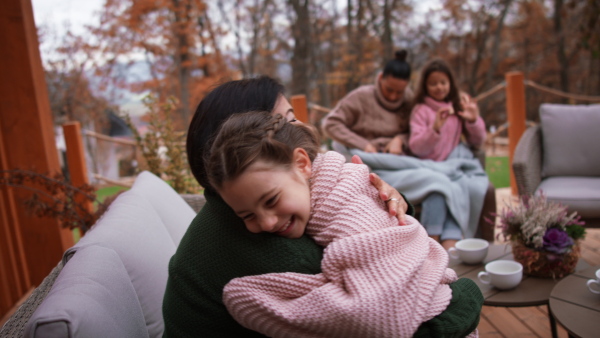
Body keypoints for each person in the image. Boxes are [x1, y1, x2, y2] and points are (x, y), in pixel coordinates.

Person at [162, 76, 413, 337]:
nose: (301, 126)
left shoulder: (244, 201)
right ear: (243, 141)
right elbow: (381, 311)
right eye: (287, 121)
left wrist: (377, 196)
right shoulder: (266, 243)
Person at [205, 111, 483, 338]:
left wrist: (256, 299)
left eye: (271, 200)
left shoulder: (346, 206)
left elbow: (379, 318)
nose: (266, 222)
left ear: (302, 164)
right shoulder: (320, 187)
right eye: (247, 216)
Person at [408, 59, 488, 249]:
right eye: (433, 83)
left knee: (462, 189)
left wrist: (473, 120)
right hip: (430, 167)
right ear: (425, 86)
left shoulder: (459, 107)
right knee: (438, 192)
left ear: (450, 83)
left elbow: (478, 141)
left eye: (443, 82)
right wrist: (434, 129)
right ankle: (431, 243)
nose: (439, 87)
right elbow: (416, 147)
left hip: (453, 165)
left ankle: (452, 245)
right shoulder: (421, 111)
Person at [322, 50, 413, 155]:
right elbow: (331, 123)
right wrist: (363, 144)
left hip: (396, 157)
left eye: (399, 92)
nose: (393, 97)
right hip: (361, 153)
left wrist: (400, 140)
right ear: (380, 78)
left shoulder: (410, 100)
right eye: (389, 90)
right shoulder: (361, 97)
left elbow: (419, 131)